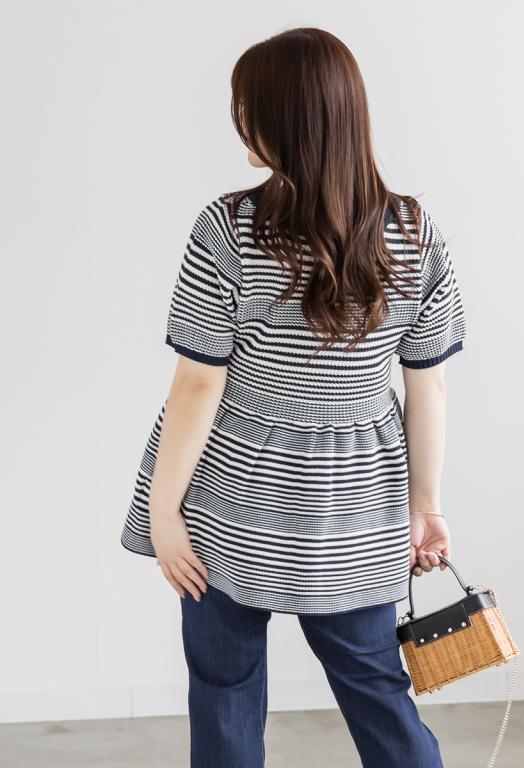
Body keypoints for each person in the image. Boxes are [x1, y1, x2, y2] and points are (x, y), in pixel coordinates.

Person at [121, 26, 466, 768]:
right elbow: (428, 383)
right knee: (378, 689)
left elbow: (199, 383)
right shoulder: (415, 233)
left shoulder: (228, 228)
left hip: (233, 498)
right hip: (357, 507)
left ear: (287, 118)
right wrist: (426, 507)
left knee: (224, 687)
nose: (238, 120)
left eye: (247, 106)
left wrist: (163, 511)